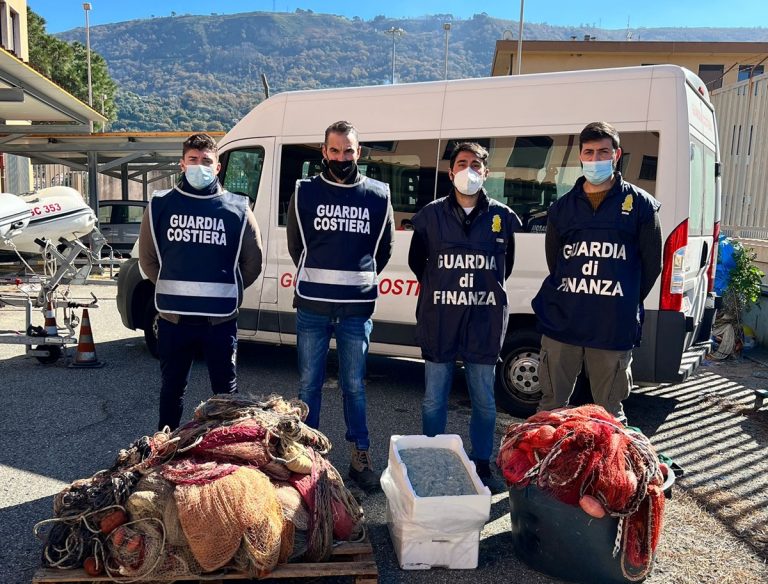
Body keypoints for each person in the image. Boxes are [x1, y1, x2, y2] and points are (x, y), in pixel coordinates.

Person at [286, 120, 395, 491]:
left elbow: (384, 248)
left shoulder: (378, 196)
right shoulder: (304, 192)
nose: (341, 157)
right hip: (313, 305)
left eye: (348, 151)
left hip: (356, 308)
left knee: (354, 385)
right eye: (335, 150)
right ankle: (307, 455)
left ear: (359, 152)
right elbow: (296, 246)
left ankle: (359, 455)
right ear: (324, 151)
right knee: (308, 384)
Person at [532, 121, 663, 423]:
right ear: (580, 156)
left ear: (617, 155)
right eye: (589, 152)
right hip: (563, 321)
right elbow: (556, 263)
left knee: (610, 416)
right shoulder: (562, 208)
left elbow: (652, 265)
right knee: (551, 408)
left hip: (612, 324)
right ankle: (548, 469)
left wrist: (620, 297)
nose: (595, 159)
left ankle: (610, 471)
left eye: (603, 152)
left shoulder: (641, 205)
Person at [408, 142, 520, 483]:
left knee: (484, 400)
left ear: (486, 172)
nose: (468, 170)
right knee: (433, 399)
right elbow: (418, 263)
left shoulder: (501, 217)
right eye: (462, 163)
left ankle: (481, 460)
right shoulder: (430, 216)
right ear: (450, 171)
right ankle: (433, 454)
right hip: (440, 318)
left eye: (475, 164)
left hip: (483, 320)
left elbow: (506, 267)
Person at [139, 132, 263, 431]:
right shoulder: (160, 206)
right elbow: (148, 260)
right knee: (172, 391)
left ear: (218, 167)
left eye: (206, 161)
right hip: (173, 318)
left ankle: (225, 456)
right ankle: (165, 454)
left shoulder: (237, 208)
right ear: (182, 164)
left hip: (219, 322)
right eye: (193, 160)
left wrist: (225, 291)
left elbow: (253, 262)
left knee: (226, 399)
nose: (199, 166)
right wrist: (174, 286)